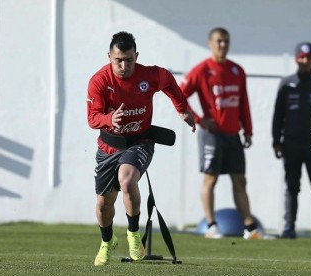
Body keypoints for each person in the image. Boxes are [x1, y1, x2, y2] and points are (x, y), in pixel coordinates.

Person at [87, 31, 195, 266]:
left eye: (129, 60)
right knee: (103, 204)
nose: (124, 65)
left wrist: (182, 108)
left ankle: (134, 234)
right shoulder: (100, 81)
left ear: (136, 56)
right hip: (109, 146)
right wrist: (109, 119)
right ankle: (107, 242)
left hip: (140, 141)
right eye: (118, 60)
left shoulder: (150, 75)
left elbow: (170, 83)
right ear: (109, 57)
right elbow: (92, 118)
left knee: (127, 180)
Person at [180, 27, 262, 240]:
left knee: (240, 180)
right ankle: (212, 225)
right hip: (211, 134)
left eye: (226, 41)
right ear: (210, 43)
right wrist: (199, 120)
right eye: (218, 41)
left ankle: (250, 227)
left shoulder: (237, 70)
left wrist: (249, 130)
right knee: (211, 179)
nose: (222, 45)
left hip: (233, 134)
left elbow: (243, 102)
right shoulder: (201, 70)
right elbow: (179, 96)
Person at [272, 42, 311, 240]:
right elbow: (278, 114)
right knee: (291, 187)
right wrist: (276, 140)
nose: (305, 60)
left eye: (308, 57)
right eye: (301, 57)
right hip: (291, 143)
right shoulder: (287, 83)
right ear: (297, 58)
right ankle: (289, 227)